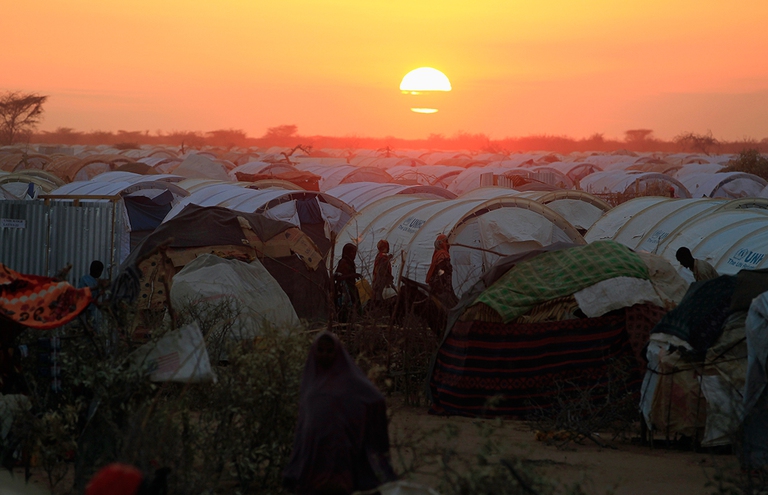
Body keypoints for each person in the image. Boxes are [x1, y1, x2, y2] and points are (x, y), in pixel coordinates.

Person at [283, 332, 396, 494]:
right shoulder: (310, 381)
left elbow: (375, 399)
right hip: (315, 455)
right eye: (320, 350)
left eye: (329, 351)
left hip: (341, 453)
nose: (325, 354)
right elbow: (303, 425)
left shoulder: (349, 380)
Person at [425, 234, 458, 308]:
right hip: (442, 285)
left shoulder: (437, 253)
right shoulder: (443, 254)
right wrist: (442, 279)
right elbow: (441, 270)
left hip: (438, 283)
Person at [334, 244, 361, 322]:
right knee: (346, 311)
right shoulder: (343, 262)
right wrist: (352, 276)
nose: (354, 255)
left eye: (355, 253)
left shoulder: (351, 263)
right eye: (352, 253)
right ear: (347, 253)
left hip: (351, 289)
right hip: (344, 291)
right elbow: (337, 277)